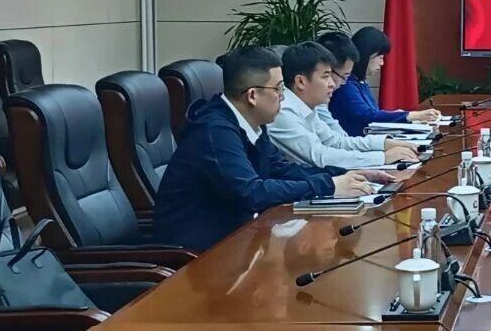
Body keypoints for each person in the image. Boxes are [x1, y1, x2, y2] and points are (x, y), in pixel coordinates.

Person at [155, 46, 373, 252]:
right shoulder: (215, 131)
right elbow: (252, 192)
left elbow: (281, 169)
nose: (283, 97)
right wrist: (329, 185)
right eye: (278, 89)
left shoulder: (253, 122)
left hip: (236, 237)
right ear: (252, 95)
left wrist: (345, 175)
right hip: (197, 253)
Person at [268, 41, 422, 170]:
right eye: (325, 77)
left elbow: (337, 142)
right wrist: (382, 157)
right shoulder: (283, 111)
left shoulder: (306, 106)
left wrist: (384, 144)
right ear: (301, 81)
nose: (332, 84)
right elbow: (319, 157)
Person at [329, 26, 441, 136]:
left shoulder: (360, 83)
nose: (382, 63)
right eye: (380, 58)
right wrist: (412, 115)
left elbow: (373, 114)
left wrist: (398, 115)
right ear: (367, 55)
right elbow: (367, 117)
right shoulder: (345, 84)